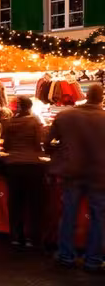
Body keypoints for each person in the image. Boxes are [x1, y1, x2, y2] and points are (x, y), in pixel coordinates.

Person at [47, 83, 105, 272]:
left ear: (86, 95)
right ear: (101, 98)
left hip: (71, 172)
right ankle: (93, 260)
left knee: (69, 215)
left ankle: (66, 256)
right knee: (99, 218)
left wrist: (62, 154)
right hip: (99, 175)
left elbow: (47, 142)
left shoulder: (65, 115)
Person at [2, 97, 45, 249]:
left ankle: (15, 236)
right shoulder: (34, 121)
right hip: (32, 166)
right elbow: (38, 144)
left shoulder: (10, 122)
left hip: (13, 166)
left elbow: (6, 146)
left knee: (15, 203)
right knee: (34, 203)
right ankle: (32, 238)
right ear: (30, 107)